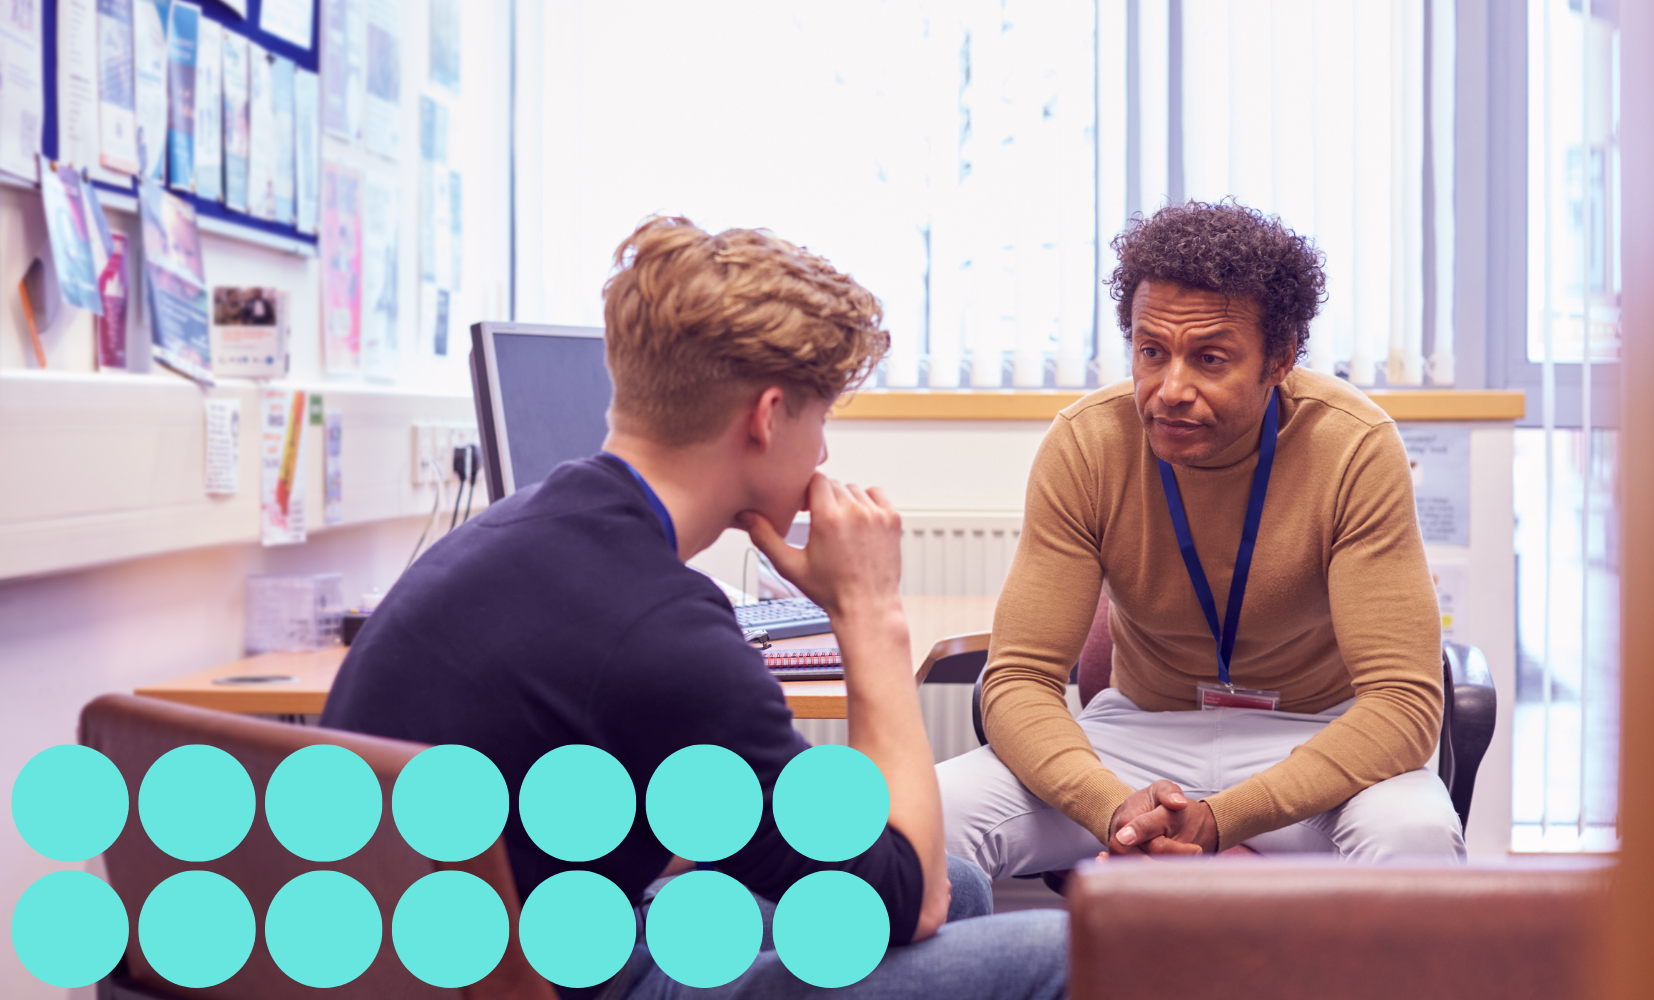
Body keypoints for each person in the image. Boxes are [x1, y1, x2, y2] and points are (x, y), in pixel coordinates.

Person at [322, 216, 1067, 1000]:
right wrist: (870, 613)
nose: (821, 455)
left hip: (446, 955)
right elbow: (906, 903)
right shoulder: (664, 634)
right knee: (1061, 947)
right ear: (769, 416)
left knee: (957, 882)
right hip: (545, 978)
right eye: (821, 422)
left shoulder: (518, 533)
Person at [937, 200, 1465, 880]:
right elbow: (1017, 681)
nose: (1169, 389)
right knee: (927, 821)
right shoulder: (1087, 442)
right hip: (1138, 738)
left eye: (1209, 358)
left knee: (1415, 837)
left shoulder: (1353, 447)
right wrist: (1115, 807)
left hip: (1315, 738)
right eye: (1150, 352)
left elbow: (1402, 704)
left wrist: (1222, 819)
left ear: (1279, 359)